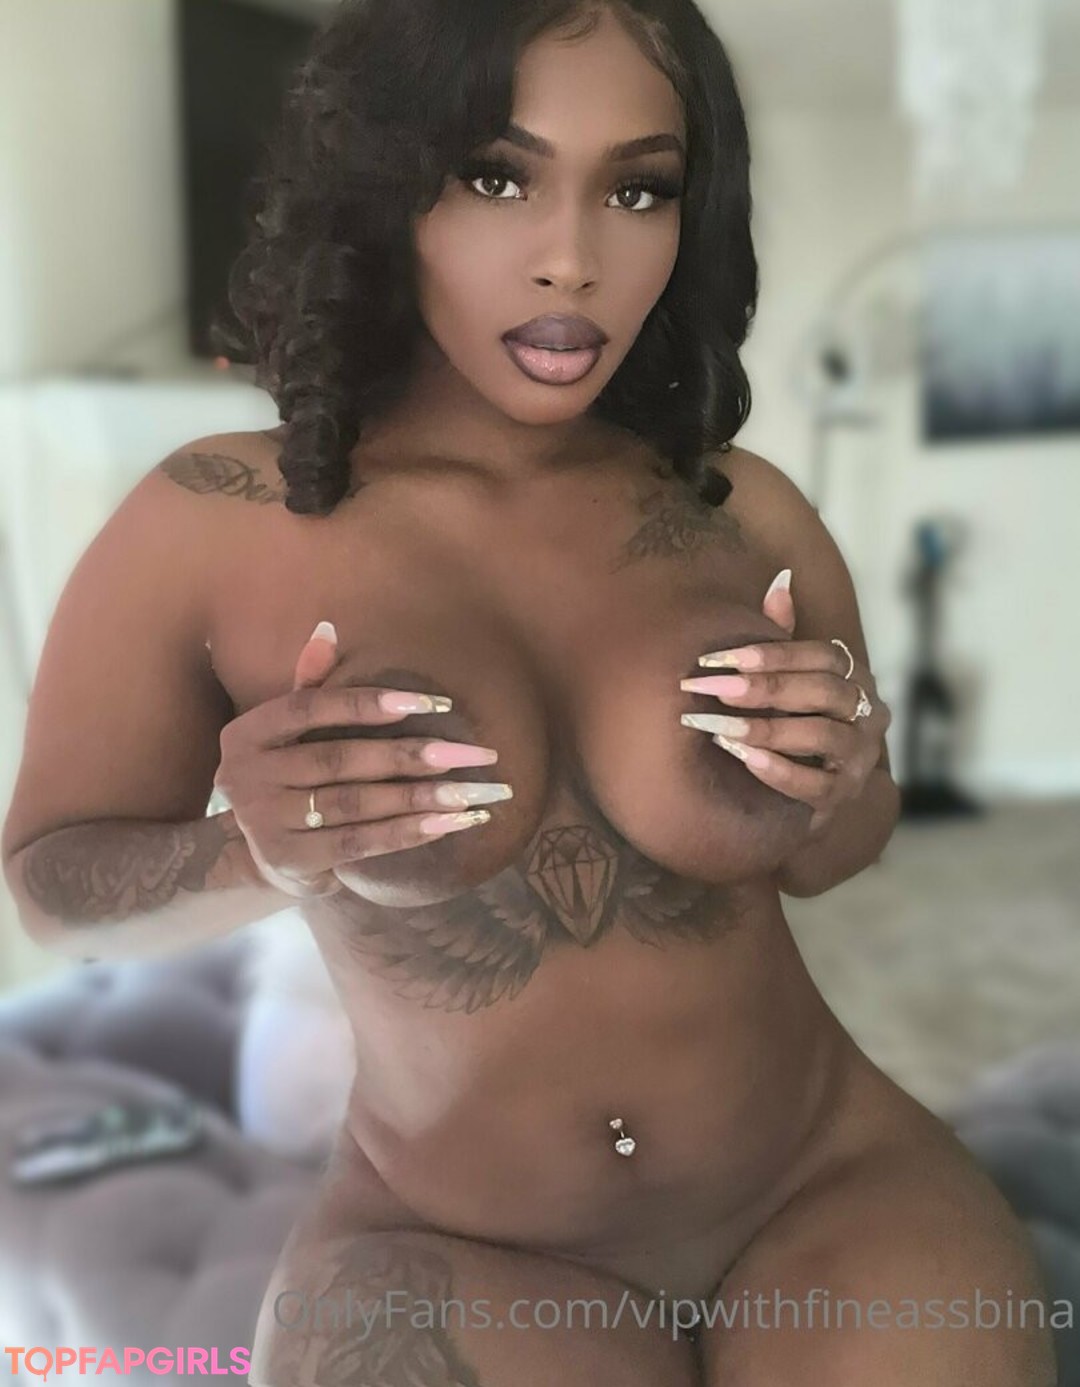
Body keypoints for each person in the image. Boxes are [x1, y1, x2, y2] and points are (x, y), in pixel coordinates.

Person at [1, 1, 1058, 1383]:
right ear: (389, 186)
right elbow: (48, 889)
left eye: (638, 189)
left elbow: (836, 853)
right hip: (453, 1244)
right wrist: (247, 852)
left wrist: (841, 776)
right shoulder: (209, 519)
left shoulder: (742, 512)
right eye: (497, 176)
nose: (574, 259)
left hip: (826, 1187)